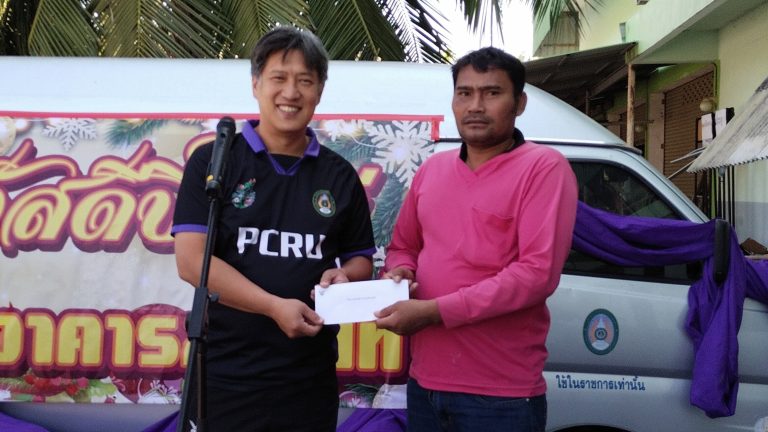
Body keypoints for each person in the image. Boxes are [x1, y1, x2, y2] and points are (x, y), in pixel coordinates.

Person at [172, 26, 375, 431]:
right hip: (225, 378)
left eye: (305, 81)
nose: (291, 92)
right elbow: (192, 262)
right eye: (279, 78)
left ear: (320, 90)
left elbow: (360, 261)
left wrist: (345, 276)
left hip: (309, 380)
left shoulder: (339, 175)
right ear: (256, 84)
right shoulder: (214, 162)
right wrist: (272, 306)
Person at [375, 47, 578, 432]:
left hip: (501, 394)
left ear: (519, 103)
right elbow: (404, 246)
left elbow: (536, 275)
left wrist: (434, 311)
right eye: (464, 93)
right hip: (425, 383)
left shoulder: (543, 168)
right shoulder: (432, 170)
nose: (475, 106)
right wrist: (401, 272)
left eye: (492, 93)